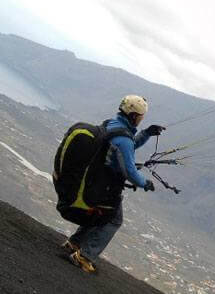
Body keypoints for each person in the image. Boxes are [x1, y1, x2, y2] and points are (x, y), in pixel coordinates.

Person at [64, 94, 166, 273]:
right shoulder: (123, 138)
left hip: (94, 180)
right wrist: (145, 183)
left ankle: (74, 243)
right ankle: (84, 257)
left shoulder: (112, 124)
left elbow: (127, 144)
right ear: (134, 116)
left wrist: (146, 134)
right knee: (113, 220)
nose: (142, 120)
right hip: (105, 186)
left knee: (98, 215)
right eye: (141, 117)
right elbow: (130, 172)